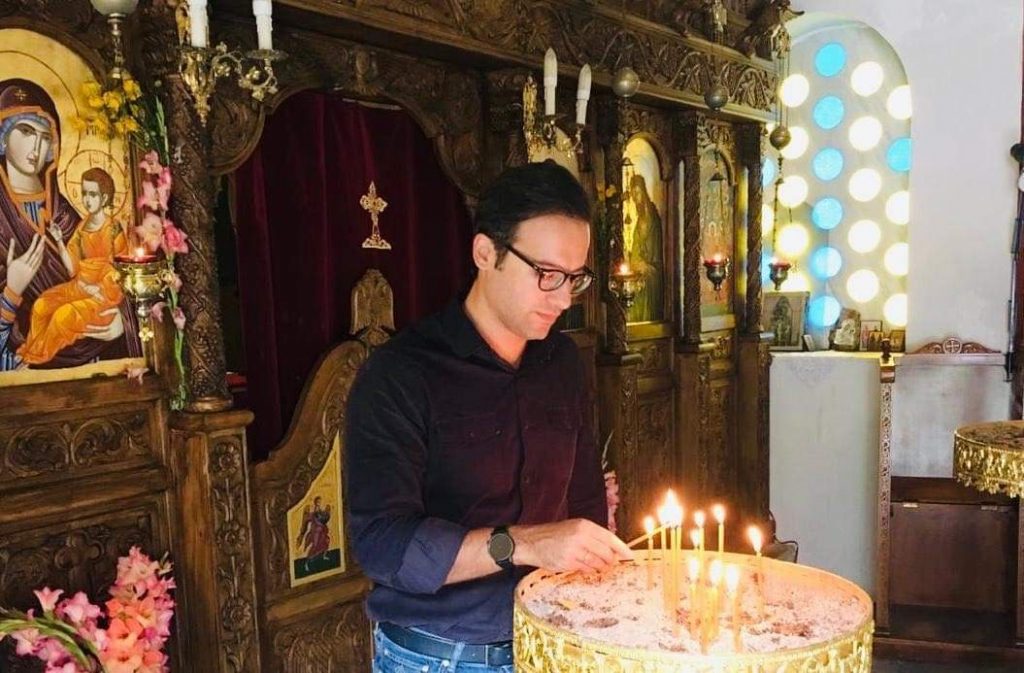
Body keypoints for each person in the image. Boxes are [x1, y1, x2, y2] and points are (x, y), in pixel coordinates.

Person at [346, 160, 632, 673]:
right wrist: (523, 543)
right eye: (546, 274)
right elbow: (385, 546)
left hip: (550, 641)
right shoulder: (402, 374)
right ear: (485, 253)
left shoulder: (561, 362)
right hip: (438, 654)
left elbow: (584, 496)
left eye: (575, 278)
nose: (563, 299)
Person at [0, 78, 139, 371]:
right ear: (2, 135)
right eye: (25, 131)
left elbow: (120, 271)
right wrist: (12, 291)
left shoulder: (66, 215)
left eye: (45, 136)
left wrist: (124, 322)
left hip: (96, 357)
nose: (36, 146)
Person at [18, 167, 129, 365]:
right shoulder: (82, 226)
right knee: (41, 305)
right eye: (85, 193)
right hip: (80, 286)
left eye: (93, 194)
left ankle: (36, 357)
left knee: (62, 316)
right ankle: (31, 348)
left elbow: (120, 269)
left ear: (104, 198)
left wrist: (99, 287)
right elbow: (72, 269)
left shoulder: (113, 229)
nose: (87, 199)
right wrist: (59, 240)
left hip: (103, 297)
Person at [623, 173, 664, 322]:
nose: (635, 197)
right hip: (640, 267)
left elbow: (652, 250)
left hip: (650, 271)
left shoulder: (651, 217)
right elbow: (637, 247)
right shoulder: (640, 217)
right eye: (633, 194)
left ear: (643, 192)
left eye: (637, 193)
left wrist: (644, 264)